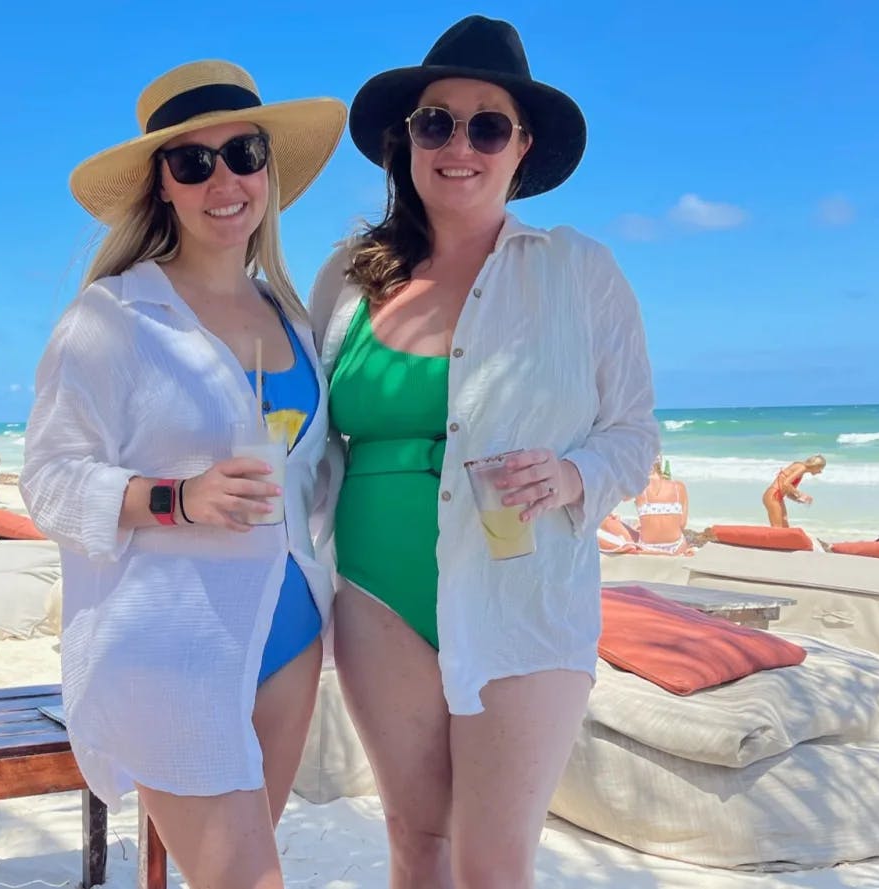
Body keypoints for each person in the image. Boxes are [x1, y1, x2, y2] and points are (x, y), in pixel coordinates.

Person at [309, 17, 658, 888]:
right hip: (372, 593)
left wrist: (577, 473)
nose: (458, 144)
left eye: (486, 125)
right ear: (406, 140)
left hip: (523, 591)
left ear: (521, 145)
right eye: (436, 122)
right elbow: (296, 431)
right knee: (415, 841)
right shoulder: (349, 277)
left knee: (495, 862)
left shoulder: (580, 272)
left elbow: (635, 431)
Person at [19, 61, 345, 889]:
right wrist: (176, 498)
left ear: (269, 168)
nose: (223, 180)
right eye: (192, 163)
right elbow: (49, 480)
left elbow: (321, 474)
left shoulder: (292, 314)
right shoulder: (113, 316)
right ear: (161, 185)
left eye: (243, 153)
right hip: (172, 644)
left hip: (292, 631)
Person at [634, 455, 692, 554]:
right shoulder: (679, 487)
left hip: (647, 548)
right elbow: (682, 524)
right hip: (676, 546)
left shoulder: (638, 487)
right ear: (660, 464)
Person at [763, 454, 825, 527]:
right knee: (777, 527)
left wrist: (800, 500)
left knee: (785, 525)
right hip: (773, 495)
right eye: (820, 469)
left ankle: (786, 538)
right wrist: (801, 494)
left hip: (778, 498)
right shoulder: (802, 467)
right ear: (816, 466)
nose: (820, 472)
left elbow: (789, 494)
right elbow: (786, 483)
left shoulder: (801, 472)